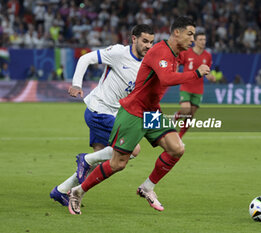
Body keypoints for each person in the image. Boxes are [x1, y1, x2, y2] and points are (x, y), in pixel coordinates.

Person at [67, 16, 210, 215]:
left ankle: (147, 187)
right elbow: (167, 79)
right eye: (190, 34)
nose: (192, 39)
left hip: (151, 113)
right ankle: (77, 192)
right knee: (118, 163)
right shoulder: (159, 51)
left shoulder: (176, 55)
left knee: (177, 148)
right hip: (134, 112)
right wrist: (196, 73)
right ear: (176, 32)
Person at [49, 24, 154, 207]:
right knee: (133, 149)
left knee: (100, 160)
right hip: (99, 110)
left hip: (113, 114)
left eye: (151, 43)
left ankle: (60, 191)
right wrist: (77, 84)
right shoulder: (118, 52)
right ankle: (84, 159)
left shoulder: (146, 65)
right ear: (134, 38)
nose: (148, 46)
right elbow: (85, 58)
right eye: (145, 41)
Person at [174, 31, 215, 138]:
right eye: (200, 39)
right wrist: (176, 70)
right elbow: (178, 62)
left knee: (190, 115)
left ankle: (179, 137)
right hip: (186, 86)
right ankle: (176, 117)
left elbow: (207, 71)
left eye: (204, 39)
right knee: (185, 109)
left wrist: (210, 76)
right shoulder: (187, 52)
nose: (203, 42)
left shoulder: (207, 56)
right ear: (195, 41)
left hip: (198, 89)